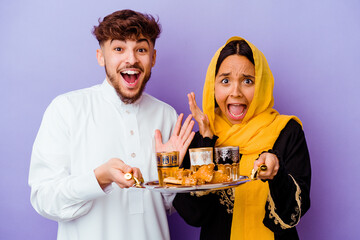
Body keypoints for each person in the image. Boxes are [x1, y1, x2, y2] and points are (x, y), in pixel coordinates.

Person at [28, 9, 195, 240]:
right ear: (101, 56)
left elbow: (167, 207)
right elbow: (44, 199)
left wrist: (169, 173)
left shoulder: (166, 115)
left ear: (153, 58)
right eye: (118, 49)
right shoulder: (66, 109)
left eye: (141, 49)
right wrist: (99, 178)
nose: (132, 59)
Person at [173, 36, 311, 240]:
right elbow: (194, 215)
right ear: (213, 86)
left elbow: (294, 212)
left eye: (248, 81)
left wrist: (276, 174)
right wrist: (207, 143)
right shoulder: (204, 137)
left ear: (262, 85)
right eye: (225, 81)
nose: (235, 92)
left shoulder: (286, 131)